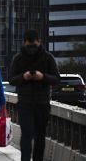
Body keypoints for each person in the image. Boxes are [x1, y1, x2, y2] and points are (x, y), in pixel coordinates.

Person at [9, 30, 60, 161]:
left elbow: (56, 79)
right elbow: (11, 79)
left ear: (39, 42)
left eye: (34, 44)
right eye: (29, 44)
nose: (32, 48)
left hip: (42, 103)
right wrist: (24, 76)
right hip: (25, 103)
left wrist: (42, 77)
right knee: (27, 134)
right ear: (24, 43)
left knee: (40, 135)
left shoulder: (47, 58)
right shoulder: (18, 58)